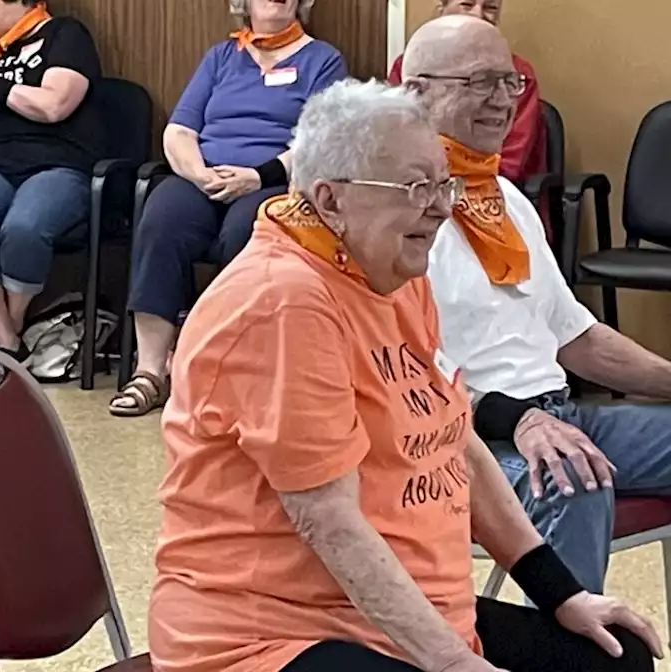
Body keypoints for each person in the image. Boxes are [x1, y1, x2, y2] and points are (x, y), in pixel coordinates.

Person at [148, 79, 661, 672]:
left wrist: (563, 594)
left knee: (616, 659)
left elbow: (455, 442)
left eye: (444, 183)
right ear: (330, 199)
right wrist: (450, 663)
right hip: (274, 630)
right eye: (416, 188)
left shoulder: (393, 271)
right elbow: (329, 520)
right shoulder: (283, 303)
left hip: (396, 607)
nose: (443, 207)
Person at [406, 14, 671, 596]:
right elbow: (404, 375)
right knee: (572, 480)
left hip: (558, 412)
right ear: (415, 89)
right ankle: (569, 657)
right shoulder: (397, 208)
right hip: (458, 440)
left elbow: (578, 340)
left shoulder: (503, 199)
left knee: (571, 461)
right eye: (479, 82)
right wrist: (518, 418)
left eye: (509, 82)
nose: (502, 100)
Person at [110, 0, 347, 417]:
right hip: (206, 176)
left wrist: (257, 176)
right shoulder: (222, 56)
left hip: (274, 181)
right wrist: (201, 175)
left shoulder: (323, 60)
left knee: (247, 232)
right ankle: (150, 371)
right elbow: (180, 130)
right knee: (161, 220)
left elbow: (319, 140)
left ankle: (228, 371)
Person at [0, 0, 105, 362]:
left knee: (24, 227)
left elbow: (54, 106)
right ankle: (8, 341)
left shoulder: (64, 34)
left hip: (59, 164)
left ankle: (5, 336)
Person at [387, 0, 543, 185]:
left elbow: (510, 162)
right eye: (467, 4)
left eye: (490, 8)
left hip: (493, 186)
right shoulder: (411, 65)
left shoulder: (516, 75)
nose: (478, 15)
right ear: (441, 8)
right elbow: (394, 142)